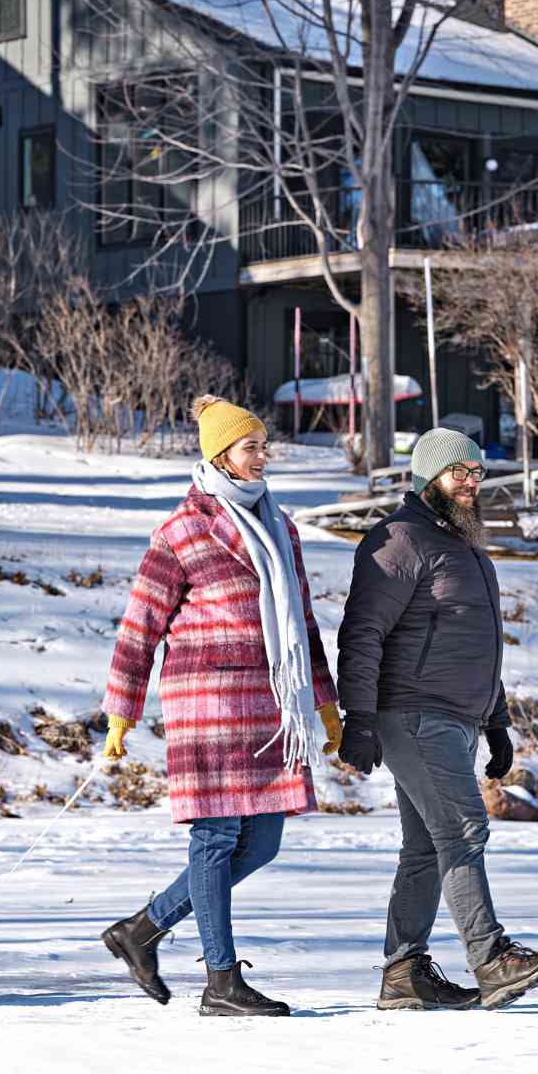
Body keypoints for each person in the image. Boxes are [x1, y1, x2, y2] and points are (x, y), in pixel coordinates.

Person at [99, 394, 343, 1017]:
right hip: (206, 699)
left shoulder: (280, 526)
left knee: (262, 844)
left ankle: (143, 930)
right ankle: (221, 982)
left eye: (264, 446)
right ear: (220, 455)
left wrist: (325, 704)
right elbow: (140, 624)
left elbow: (303, 621)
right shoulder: (181, 530)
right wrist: (122, 709)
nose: (263, 456)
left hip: (268, 703)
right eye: (251, 447)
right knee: (214, 840)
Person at [337, 427, 538, 1011]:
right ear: (427, 476)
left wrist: (496, 720)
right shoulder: (399, 540)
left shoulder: (463, 543)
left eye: (477, 472)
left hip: (457, 717)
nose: (471, 482)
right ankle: (491, 959)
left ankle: (403, 974)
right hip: (413, 713)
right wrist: (359, 719)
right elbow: (362, 633)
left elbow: (477, 642)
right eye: (459, 472)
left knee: (424, 845)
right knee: (464, 830)